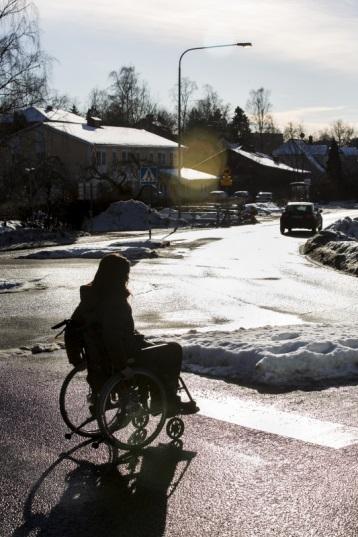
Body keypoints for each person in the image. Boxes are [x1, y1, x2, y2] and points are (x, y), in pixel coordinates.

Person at [71, 253, 198, 416]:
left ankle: (154, 395)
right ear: (119, 276)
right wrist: (123, 368)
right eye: (126, 274)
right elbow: (112, 339)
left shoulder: (90, 299)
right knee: (173, 350)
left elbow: (73, 328)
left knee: (153, 347)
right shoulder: (115, 302)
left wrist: (76, 357)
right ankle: (164, 400)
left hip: (101, 360)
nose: (127, 278)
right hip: (122, 358)